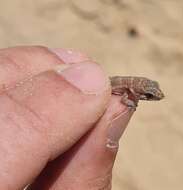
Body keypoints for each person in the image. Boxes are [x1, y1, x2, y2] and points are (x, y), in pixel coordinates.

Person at [0, 46, 134, 190]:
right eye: (149, 96)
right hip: (96, 90)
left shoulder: (128, 88)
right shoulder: (128, 90)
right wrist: (131, 103)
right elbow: (124, 100)